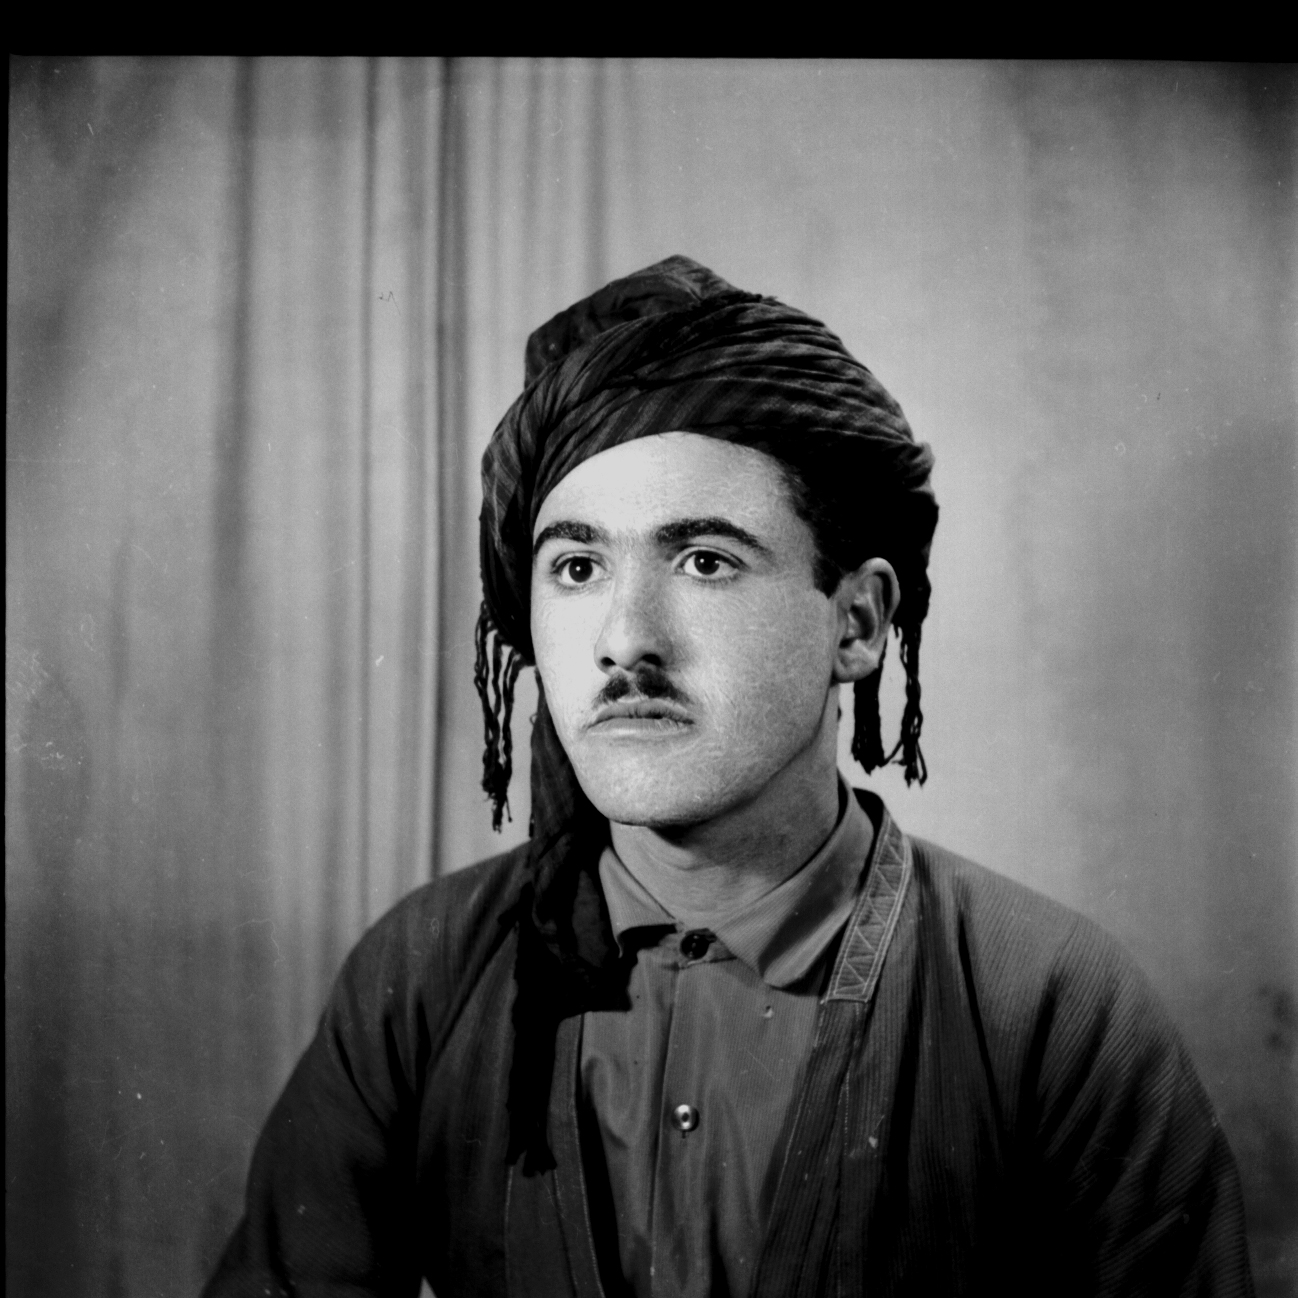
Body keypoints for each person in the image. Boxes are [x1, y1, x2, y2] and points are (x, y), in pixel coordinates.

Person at [206, 257, 1254, 1297]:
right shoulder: (423, 975)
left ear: (856, 623)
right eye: (577, 567)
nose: (624, 639)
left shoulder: (1046, 1000)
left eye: (704, 560)